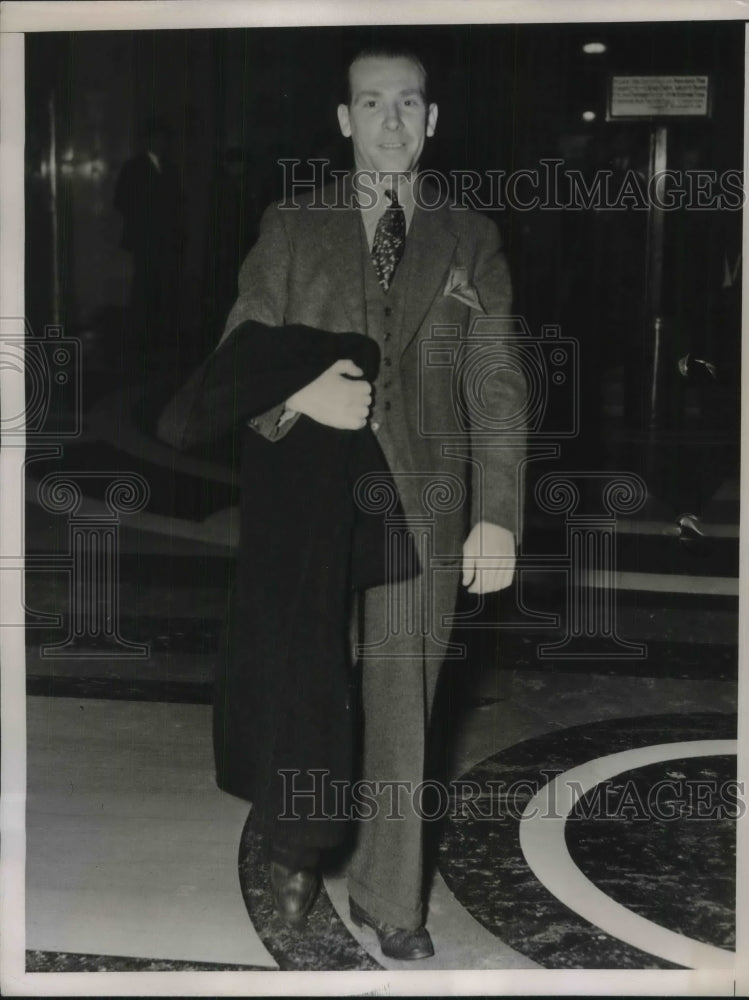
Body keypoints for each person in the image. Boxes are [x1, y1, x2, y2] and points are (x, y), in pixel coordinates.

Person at [160, 44, 526, 961]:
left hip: (426, 505)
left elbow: (495, 379)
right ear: (343, 119)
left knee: (406, 702)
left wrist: (499, 510)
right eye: (372, 104)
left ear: (432, 119)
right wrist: (296, 398)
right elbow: (239, 350)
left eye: (409, 105)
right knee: (304, 691)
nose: (392, 123)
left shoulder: (468, 233)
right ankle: (293, 851)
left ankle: (390, 897)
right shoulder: (292, 224)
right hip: (313, 504)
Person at [114, 115, 184, 364]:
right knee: (143, 287)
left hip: (166, 240)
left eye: (164, 139)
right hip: (145, 239)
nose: (160, 143)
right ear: (148, 140)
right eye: (156, 138)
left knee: (164, 288)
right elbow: (121, 201)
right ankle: (141, 340)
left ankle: (161, 339)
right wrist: (145, 217)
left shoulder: (171, 168)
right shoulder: (133, 167)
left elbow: (177, 205)